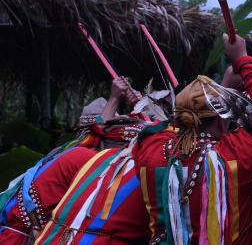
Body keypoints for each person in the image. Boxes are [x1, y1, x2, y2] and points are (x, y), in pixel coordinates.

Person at [132, 33, 252, 244]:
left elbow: (158, 130)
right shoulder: (233, 156)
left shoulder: (151, 151)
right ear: (222, 122)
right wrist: (242, 57)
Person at [0, 77, 160, 244]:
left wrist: (142, 105)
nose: (124, 149)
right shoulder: (81, 157)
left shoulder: (104, 167)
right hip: (18, 233)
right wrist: (114, 98)